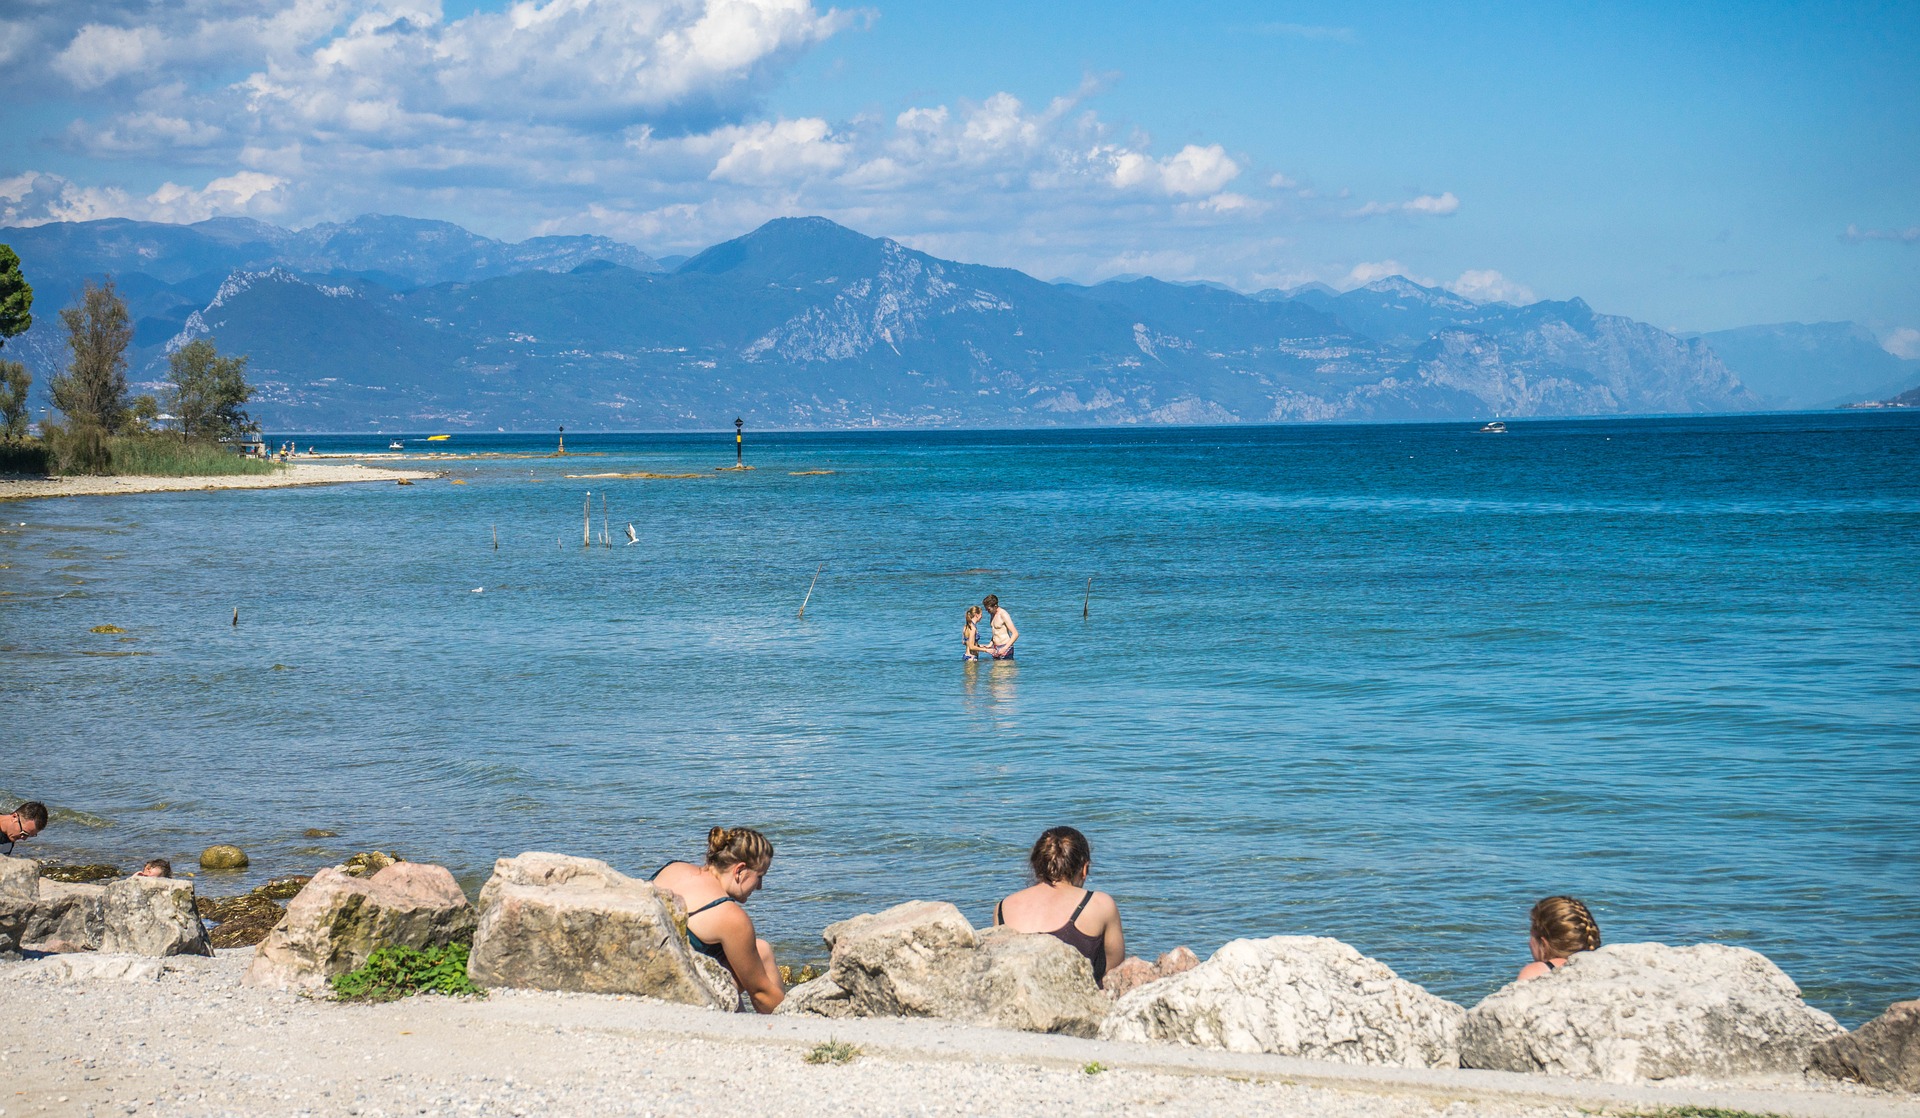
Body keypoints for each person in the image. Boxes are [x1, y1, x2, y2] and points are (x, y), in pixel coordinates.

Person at [652, 827, 784, 1013]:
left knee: (759, 949)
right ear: (740, 870)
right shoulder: (729, 915)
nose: (760, 887)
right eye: (759, 876)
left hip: (647, 969)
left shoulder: (673, 868)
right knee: (762, 962)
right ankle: (785, 1023)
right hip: (676, 993)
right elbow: (760, 993)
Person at [992, 826, 1124, 986]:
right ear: (1084, 869)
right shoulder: (1100, 904)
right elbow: (1115, 975)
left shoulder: (1003, 907)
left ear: (1035, 866)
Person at [1517, 895, 1601, 981]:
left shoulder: (1535, 972)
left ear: (1543, 944)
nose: (1529, 943)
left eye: (1531, 936)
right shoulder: (1601, 966)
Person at [982, 594, 1018, 660]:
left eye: (988, 609)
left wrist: (1005, 648)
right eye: (986, 609)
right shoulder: (992, 614)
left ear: (995, 606)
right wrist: (990, 644)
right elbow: (995, 631)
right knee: (995, 669)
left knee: (1005, 669)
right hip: (995, 647)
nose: (987, 611)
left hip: (1005, 646)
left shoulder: (1003, 614)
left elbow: (1015, 634)